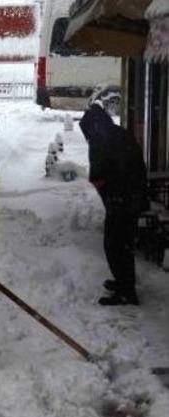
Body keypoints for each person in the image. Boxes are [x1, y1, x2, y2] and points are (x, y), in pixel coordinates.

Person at [79, 104, 148, 306]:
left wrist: (108, 194)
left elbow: (97, 176)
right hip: (130, 198)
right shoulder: (116, 133)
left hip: (123, 201)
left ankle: (127, 292)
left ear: (93, 127)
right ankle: (124, 283)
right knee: (123, 245)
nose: (86, 136)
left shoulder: (102, 140)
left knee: (115, 245)